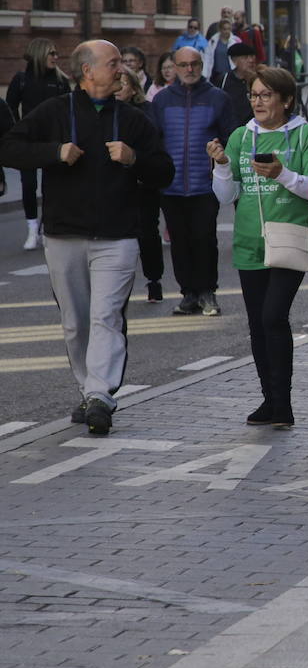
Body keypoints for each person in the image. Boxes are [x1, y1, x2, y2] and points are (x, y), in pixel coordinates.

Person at [0, 40, 174, 435]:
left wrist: (135, 160)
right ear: (87, 72)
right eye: (113, 64)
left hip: (118, 237)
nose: (121, 71)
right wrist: (53, 152)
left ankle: (100, 394)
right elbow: (8, 147)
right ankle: (88, 389)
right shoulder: (55, 112)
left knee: (106, 316)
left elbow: (165, 171)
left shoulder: (132, 120)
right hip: (64, 235)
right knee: (75, 323)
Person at [208, 66, 308, 429]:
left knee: (274, 317)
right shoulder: (241, 137)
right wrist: (222, 166)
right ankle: (270, 401)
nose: (258, 101)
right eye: (253, 95)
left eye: (266, 95)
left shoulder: (304, 135)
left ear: (286, 99)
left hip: (288, 238)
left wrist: (283, 175)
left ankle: (284, 403)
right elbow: (226, 195)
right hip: (249, 242)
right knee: (258, 325)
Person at [150, 47, 239, 316]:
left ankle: (207, 292)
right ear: (174, 68)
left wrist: (221, 158)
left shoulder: (218, 98)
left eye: (195, 64)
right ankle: (188, 293)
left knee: (204, 239)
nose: (189, 70)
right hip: (171, 185)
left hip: (205, 184)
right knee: (179, 241)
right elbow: (153, 140)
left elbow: (231, 137)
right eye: (184, 65)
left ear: (202, 66)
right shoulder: (162, 100)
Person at [5, 37, 71, 250]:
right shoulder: (21, 79)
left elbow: (68, 111)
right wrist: (17, 133)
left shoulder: (60, 80)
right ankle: (32, 228)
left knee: (51, 185)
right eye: (51, 53)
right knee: (29, 185)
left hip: (54, 142)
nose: (55, 57)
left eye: (56, 53)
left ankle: (45, 227)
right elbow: (10, 109)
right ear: (39, 54)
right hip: (28, 142)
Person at [114, 69, 165, 304]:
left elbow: (153, 145)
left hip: (143, 183)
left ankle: (154, 280)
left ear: (134, 89)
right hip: (115, 185)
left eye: (123, 84)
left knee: (147, 232)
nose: (117, 88)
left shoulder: (144, 112)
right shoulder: (107, 112)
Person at [220, 42, 257, 126]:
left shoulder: (258, 80)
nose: (251, 60)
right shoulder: (224, 80)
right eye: (245, 57)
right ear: (234, 60)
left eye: (252, 56)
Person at [208, 20, 240, 86]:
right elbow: (208, 57)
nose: (227, 31)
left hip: (230, 73)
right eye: (224, 29)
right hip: (216, 74)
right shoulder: (213, 41)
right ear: (220, 29)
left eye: (229, 29)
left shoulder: (235, 41)